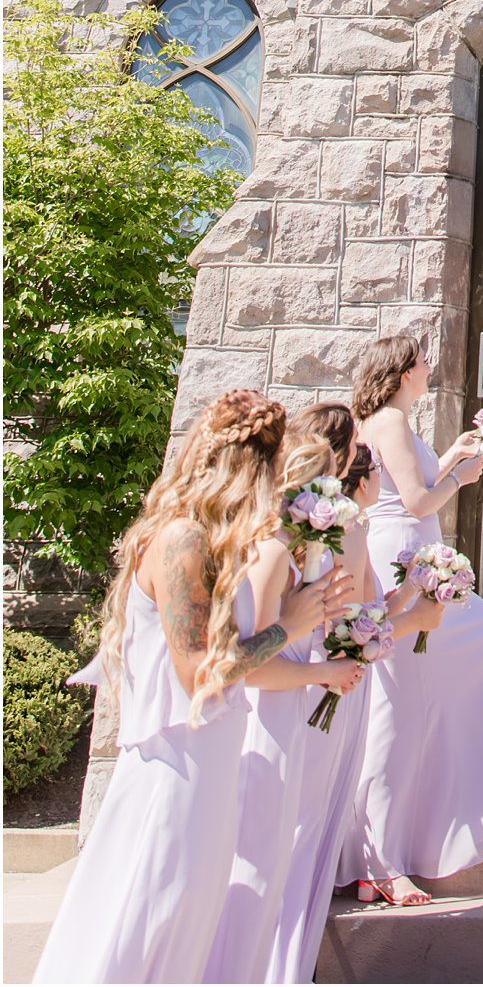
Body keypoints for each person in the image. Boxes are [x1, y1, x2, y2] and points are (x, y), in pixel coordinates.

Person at [35, 391, 348, 986]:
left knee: (186, 924)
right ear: (246, 469)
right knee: (147, 919)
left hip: (206, 762)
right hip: (173, 772)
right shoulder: (183, 542)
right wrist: (292, 626)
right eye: (269, 469)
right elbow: (199, 672)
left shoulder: (208, 541)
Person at [340, 333, 483, 906]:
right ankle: (380, 862)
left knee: (467, 668)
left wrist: (454, 455)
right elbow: (419, 503)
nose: (429, 366)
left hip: (415, 556)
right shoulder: (389, 422)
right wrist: (459, 481)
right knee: (396, 714)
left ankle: (440, 805)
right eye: (421, 361)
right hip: (406, 564)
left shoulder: (392, 420)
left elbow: (410, 486)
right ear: (400, 372)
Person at [265, 408, 437, 978]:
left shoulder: (300, 518)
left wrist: (413, 595)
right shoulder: (344, 526)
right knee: (305, 817)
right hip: (324, 678)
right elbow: (351, 625)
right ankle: (283, 958)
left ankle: (285, 953)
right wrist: (417, 623)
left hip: (313, 671)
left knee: (300, 816)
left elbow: (358, 616)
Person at [205, 428, 369, 983]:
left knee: (276, 859)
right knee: (258, 861)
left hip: (290, 718)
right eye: (327, 481)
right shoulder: (273, 554)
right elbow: (253, 669)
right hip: (268, 723)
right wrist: (323, 670)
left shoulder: (292, 552)